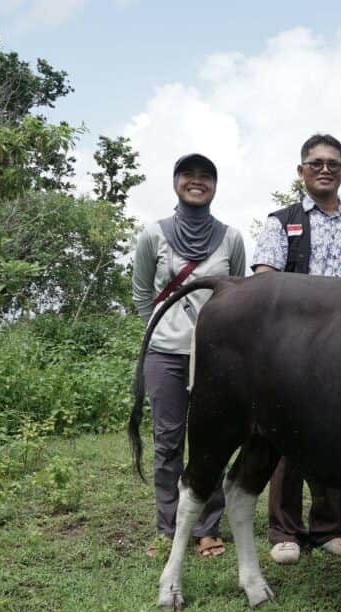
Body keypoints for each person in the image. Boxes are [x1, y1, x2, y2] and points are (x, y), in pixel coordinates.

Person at [251, 133, 341, 564]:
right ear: (301, 171)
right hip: (292, 351)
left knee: (339, 434)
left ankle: (329, 528)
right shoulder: (280, 221)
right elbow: (263, 282)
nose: (324, 169)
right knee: (286, 435)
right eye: (315, 163)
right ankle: (285, 531)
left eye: (332, 163)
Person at [132, 153, 247, 558]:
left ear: (214, 185)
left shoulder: (231, 237)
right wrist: (160, 330)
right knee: (167, 442)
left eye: (205, 176)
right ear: (176, 182)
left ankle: (207, 527)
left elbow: (240, 295)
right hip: (164, 353)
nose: (196, 182)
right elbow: (141, 292)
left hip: (216, 358)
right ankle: (168, 527)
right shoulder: (153, 235)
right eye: (188, 175)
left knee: (211, 441)